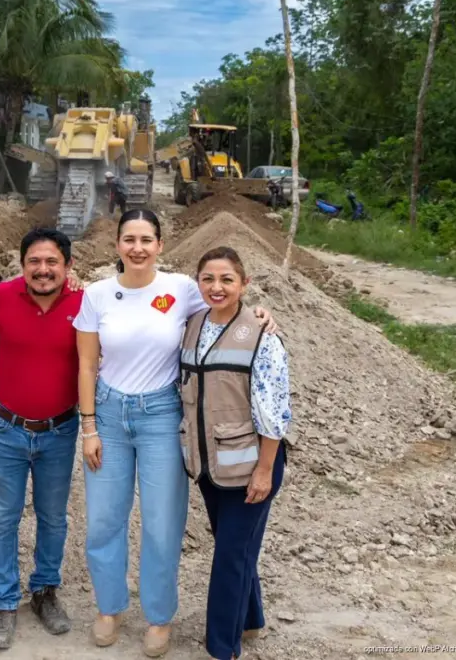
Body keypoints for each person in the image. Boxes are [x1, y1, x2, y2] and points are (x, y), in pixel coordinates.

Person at [73, 209, 275, 658]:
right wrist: (88, 426)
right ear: (118, 244)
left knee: (163, 524)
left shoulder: (182, 289)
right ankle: (109, 607)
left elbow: (227, 310)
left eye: (146, 239)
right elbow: (87, 364)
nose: (137, 248)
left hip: (163, 415)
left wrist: (262, 312)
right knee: (105, 520)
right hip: (107, 414)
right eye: (129, 239)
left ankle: (158, 617)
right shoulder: (98, 294)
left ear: (160, 245)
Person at [179, 247, 291, 660]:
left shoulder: (263, 335)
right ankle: (251, 621)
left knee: (229, 555)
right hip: (210, 466)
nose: (217, 287)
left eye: (227, 279)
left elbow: (275, 411)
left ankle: (221, 648)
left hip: (252, 468)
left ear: (244, 284)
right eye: (208, 279)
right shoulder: (191, 325)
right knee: (237, 548)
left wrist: (265, 470)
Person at [0, 227, 83, 650]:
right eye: (34, 261)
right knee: (3, 518)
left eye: (52, 262)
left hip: (60, 430)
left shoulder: (83, 302)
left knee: (53, 517)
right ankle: (4, 603)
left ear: (68, 266)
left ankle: (44, 592)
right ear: (22, 266)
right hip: (5, 429)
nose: (43, 270)